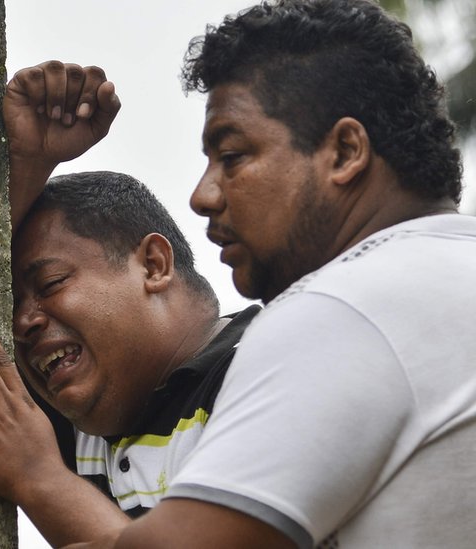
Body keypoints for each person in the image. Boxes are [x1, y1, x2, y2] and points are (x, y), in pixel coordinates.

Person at [82, 1, 475, 547]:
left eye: (233, 155)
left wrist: (35, 478)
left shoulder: (341, 310)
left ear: (344, 152)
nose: (203, 195)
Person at [0, 61, 260, 547]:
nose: (21, 322)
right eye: (13, 304)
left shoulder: (262, 369)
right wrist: (29, 159)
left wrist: (38, 478)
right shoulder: (78, 415)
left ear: (153, 265)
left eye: (52, 282)